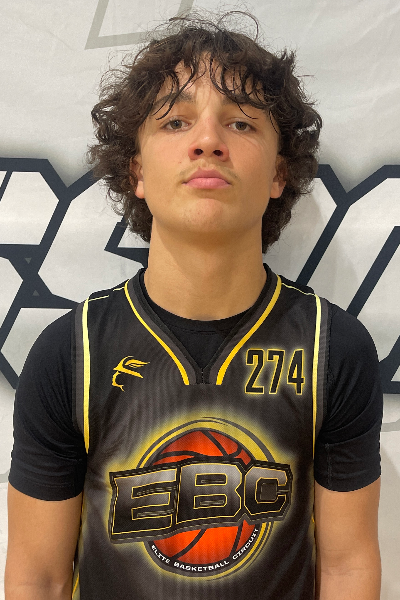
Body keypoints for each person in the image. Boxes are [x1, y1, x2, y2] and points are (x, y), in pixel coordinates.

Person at [5, 9, 382, 600]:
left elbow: (348, 567)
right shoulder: (70, 353)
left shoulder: (333, 348)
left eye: (241, 122)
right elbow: (39, 577)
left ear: (279, 173)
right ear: (136, 171)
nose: (208, 141)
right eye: (176, 121)